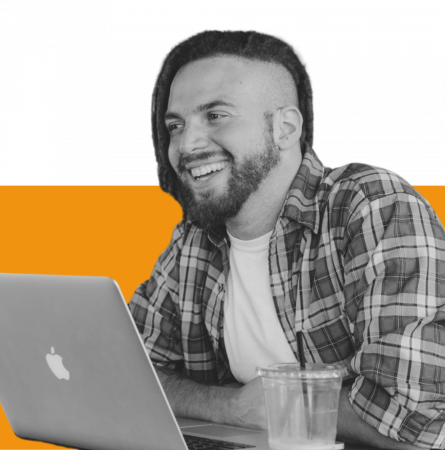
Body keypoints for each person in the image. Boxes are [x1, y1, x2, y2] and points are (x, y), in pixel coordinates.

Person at [129, 29, 445, 449]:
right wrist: (231, 409)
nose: (186, 144)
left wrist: (281, 407)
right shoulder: (196, 238)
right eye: (175, 125)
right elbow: (129, 373)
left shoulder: (372, 205)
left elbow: (414, 414)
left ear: (285, 128)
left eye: (216, 116)